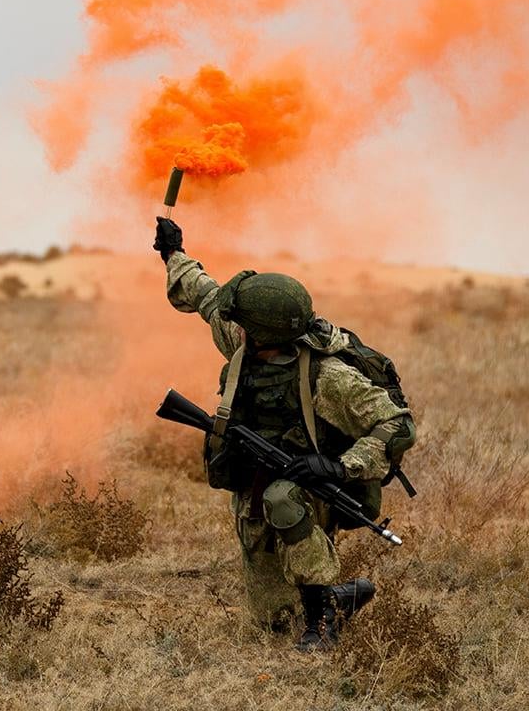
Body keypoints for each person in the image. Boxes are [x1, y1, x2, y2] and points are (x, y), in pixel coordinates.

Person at [153, 216, 416, 651]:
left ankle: (323, 619)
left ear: (263, 333)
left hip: (315, 488)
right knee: (273, 620)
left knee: (282, 499)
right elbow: (205, 295)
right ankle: (339, 595)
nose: (234, 325)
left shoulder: (327, 377)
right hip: (257, 485)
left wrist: (338, 465)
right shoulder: (246, 343)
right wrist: (173, 253)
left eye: (242, 322)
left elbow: (398, 425)